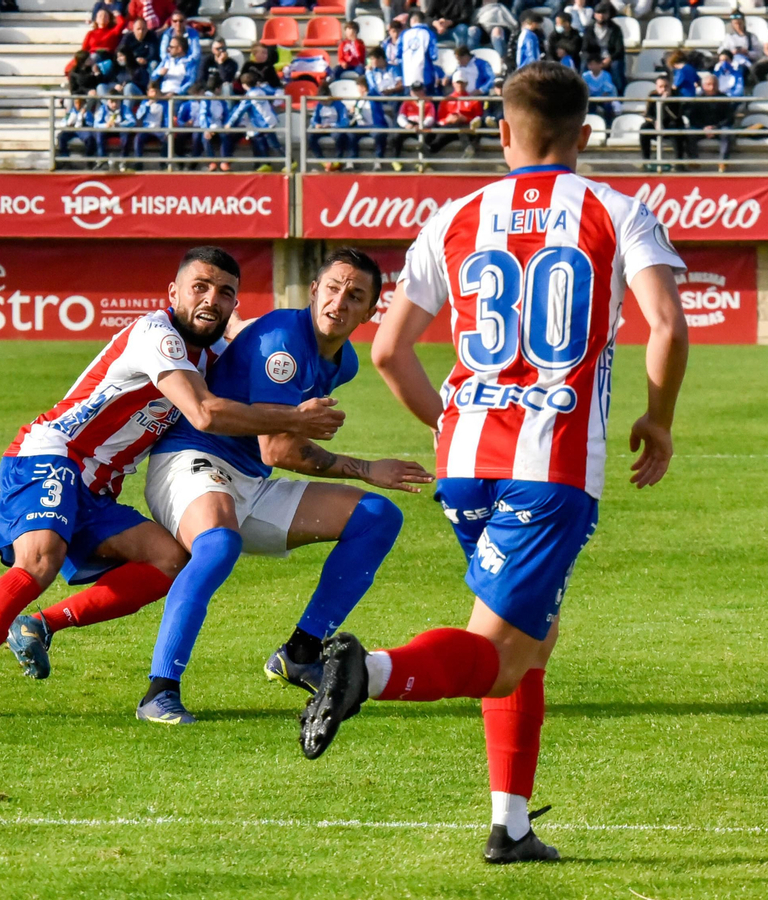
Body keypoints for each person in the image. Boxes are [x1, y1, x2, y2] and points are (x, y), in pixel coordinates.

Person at [307, 60, 688, 867]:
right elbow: (666, 326)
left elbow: (389, 349)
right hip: (550, 468)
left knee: (531, 639)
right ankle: (365, 673)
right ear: (586, 135)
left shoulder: (455, 216)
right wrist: (657, 419)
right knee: (504, 651)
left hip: (467, 462)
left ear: (503, 131)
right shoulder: (618, 210)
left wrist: (451, 420)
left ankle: (509, 825)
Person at [0, 247, 346, 720]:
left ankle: (40, 625)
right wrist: (294, 417)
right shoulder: (154, 334)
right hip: (53, 454)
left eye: (224, 293)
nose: (211, 299)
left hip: (98, 484)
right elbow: (202, 412)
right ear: (172, 292)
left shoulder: (215, 348)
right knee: (40, 560)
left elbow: (253, 332)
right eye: (199, 287)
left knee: (170, 559)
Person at [7, 250, 414, 725]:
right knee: (218, 543)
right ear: (313, 291)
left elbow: (268, 450)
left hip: (248, 483)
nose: (339, 302)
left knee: (378, 517)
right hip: (188, 463)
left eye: (355, 296)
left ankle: (300, 653)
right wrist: (364, 467)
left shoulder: (343, 363)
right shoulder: (284, 342)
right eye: (332, 288)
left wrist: (363, 474)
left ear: (369, 312)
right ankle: (159, 692)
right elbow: (278, 450)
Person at [228, 70, 282, 166]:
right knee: (261, 142)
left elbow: (239, 111)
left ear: (244, 85)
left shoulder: (249, 97)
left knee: (272, 144)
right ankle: (265, 164)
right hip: (268, 120)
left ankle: (288, 162)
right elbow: (277, 91)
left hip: (262, 123)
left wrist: (230, 123)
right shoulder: (261, 90)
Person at [427, 72, 486, 155]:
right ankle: (431, 148)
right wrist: (447, 120)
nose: (460, 85)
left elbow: (478, 119)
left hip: (466, 127)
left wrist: (465, 119)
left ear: (466, 84)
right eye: (458, 83)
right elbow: (440, 120)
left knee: (461, 131)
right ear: (453, 84)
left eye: (462, 83)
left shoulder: (473, 100)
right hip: (450, 128)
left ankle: (468, 149)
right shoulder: (446, 100)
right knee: (444, 132)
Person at [684, 70, 735, 167]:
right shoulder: (697, 100)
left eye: (714, 84)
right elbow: (692, 117)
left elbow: (730, 118)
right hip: (701, 128)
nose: (712, 87)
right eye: (709, 84)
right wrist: (704, 128)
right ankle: (694, 161)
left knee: (727, 132)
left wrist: (715, 127)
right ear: (703, 86)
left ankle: (723, 162)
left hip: (719, 128)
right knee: (690, 132)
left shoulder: (725, 99)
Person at [639, 72, 685, 168]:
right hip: (657, 124)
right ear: (656, 87)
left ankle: (679, 163)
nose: (663, 89)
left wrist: (666, 102)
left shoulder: (677, 95)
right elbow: (647, 114)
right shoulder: (652, 95)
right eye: (661, 86)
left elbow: (677, 115)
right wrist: (655, 122)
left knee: (677, 129)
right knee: (644, 128)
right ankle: (645, 161)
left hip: (672, 124)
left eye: (666, 86)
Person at [308, 89, 358, 166]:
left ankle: (338, 160)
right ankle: (322, 160)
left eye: (325, 101)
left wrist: (332, 126)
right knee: (310, 137)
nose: (324, 103)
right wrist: (316, 125)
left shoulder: (340, 105)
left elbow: (345, 122)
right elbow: (313, 119)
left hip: (335, 129)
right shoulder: (319, 106)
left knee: (339, 136)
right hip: (322, 129)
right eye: (322, 101)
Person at [390, 80, 437, 162]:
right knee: (396, 136)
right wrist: (406, 125)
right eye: (415, 91)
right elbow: (401, 117)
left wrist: (422, 126)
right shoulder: (407, 103)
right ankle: (395, 160)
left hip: (422, 126)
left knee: (428, 138)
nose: (417, 93)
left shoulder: (429, 104)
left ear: (423, 91)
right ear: (411, 92)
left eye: (419, 90)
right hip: (410, 125)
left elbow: (431, 118)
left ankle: (424, 161)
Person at [400, 10, 438, 91]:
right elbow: (434, 55)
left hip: (408, 77)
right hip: (425, 76)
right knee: (427, 102)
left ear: (412, 21)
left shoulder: (404, 34)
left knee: (410, 103)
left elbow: (398, 54)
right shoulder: (429, 33)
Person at [589, 2, 624, 88]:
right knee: (585, 64)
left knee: (616, 66)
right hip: (595, 57)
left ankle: (619, 94)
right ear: (594, 14)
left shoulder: (615, 29)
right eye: (599, 13)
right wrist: (596, 61)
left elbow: (619, 49)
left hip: (611, 57)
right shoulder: (589, 29)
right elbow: (586, 48)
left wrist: (610, 59)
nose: (601, 16)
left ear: (608, 15)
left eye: (604, 13)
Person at [582, 53, 618, 118]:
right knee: (588, 106)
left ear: (600, 64)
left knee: (608, 106)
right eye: (590, 64)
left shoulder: (606, 75)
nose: (592, 66)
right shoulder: (585, 76)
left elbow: (606, 91)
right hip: (591, 99)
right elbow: (584, 89)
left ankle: (608, 124)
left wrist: (598, 100)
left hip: (604, 98)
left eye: (594, 64)